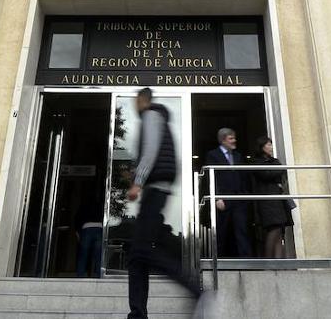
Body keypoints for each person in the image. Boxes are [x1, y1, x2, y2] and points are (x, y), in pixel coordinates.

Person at [126, 88, 204, 319]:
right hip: (158, 190)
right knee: (136, 257)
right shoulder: (161, 120)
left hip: (154, 191)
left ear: (142, 100)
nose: (135, 106)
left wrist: (138, 182)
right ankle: (137, 314)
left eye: (136, 101)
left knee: (141, 251)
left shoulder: (151, 116)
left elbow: (150, 152)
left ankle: (194, 290)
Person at [203, 128, 253, 258]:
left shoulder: (238, 156)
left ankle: (246, 260)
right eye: (231, 138)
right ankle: (218, 260)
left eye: (234, 138)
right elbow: (210, 178)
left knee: (242, 230)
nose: (234, 141)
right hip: (223, 198)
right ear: (223, 140)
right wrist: (216, 198)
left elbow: (243, 177)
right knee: (221, 231)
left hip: (238, 198)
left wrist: (245, 195)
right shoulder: (213, 155)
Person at [250, 136, 294, 259]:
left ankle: (278, 263)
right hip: (267, 200)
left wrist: (277, 170)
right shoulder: (256, 162)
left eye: (271, 144)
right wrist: (278, 170)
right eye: (268, 145)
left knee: (279, 231)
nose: (271, 147)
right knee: (273, 229)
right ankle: (269, 262)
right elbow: (265, 174)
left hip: (278, 199)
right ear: (261, 147)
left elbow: (279, 173)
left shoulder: (274, 161)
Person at [74, 188, 104, 278]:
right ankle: (100, 275)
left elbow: (77, 218)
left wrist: (77, 231)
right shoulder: (100, 205)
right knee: (98, 255)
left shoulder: (83, 206)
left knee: (83, 254)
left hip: (86, 228)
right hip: (99, 227)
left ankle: (80, 275)